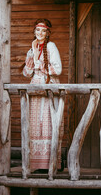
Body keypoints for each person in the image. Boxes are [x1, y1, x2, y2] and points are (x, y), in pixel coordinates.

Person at [23, 18, 63, 173]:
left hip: (48, 86)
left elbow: (57, 69)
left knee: (48, 122)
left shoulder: (51, 46)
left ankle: (50, 163)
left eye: (43, 30)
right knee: (35, 124)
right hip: (35, 87)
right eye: (37, 30)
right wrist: (31, 55)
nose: (40, 33)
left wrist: (39, 65)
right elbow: (27, 73)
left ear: (47, 33)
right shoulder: (32, 48)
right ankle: (36, 164)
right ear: (34, 31)